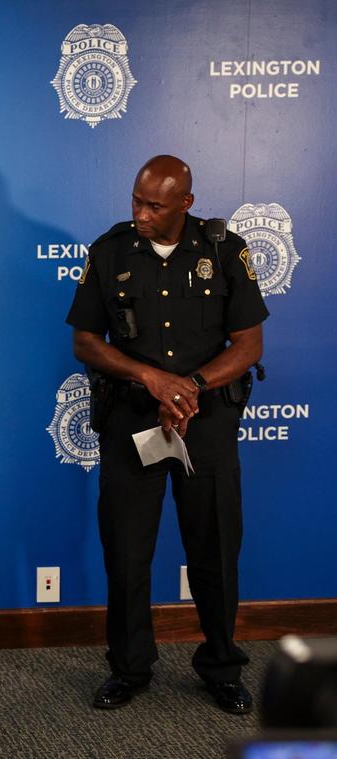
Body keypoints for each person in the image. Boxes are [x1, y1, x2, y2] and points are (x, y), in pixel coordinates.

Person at [66, 155, 267, 714]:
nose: (141, 213)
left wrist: (190, 387)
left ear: (186, 203)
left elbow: (249, 345)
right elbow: (85, 341)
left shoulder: (224, 250)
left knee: (216, 548)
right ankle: (130, 668)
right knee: (127, 553)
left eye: (155, 205)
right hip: (132, 421)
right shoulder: (110, 250)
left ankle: (222, 667)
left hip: (206, 423)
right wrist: (150, 378)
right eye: (136, 200)